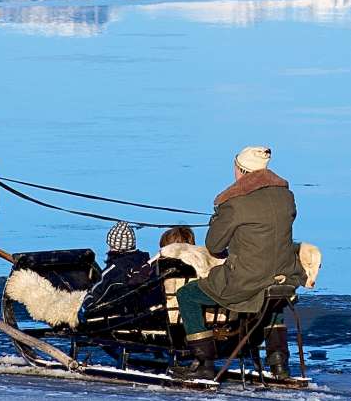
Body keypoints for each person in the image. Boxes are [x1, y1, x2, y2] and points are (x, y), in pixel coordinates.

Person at [173, 146, 305, 380]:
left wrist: (219, 219)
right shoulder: (287, 196)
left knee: (187, 295)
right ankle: (279, 365)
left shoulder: (234, 204)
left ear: (241, 171)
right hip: (285, 275)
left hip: (246, 279)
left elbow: (214, 246)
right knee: (272, 300)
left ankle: (204, 362)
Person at [78, 221, 151, 320]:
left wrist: (84, 308)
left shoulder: (113, 269)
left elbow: (98, 293)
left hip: (117, 314)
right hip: (140, 308)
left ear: (113, 246)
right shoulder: (145, 262)